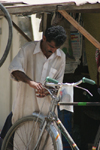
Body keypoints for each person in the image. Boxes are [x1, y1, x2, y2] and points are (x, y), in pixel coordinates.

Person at [0, 25, 67, 149]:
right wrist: (32, 83)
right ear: (44, 38)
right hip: (25, 112)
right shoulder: (27, 49)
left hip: (47, 114)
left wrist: (48, 91)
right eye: (51, 46)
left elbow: (58, 85)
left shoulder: (60, 56)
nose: (53, 50)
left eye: (56, 48)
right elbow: (14, 70)